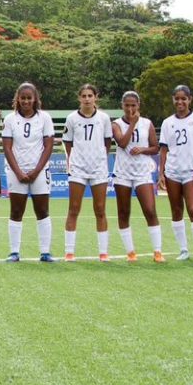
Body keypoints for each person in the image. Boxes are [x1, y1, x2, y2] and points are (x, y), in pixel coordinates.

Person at [1, 82, 57, 263]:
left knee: (42, 210)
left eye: (29, 98)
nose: (26, 101)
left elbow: (49, 146)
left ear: (35, 99)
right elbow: (7, 148)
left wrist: (36, 171)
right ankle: (14, 252)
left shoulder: (44, 118)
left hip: (39, 171)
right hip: (16, 171)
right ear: (18, 99)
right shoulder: (10, 119)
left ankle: (45, 252)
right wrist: (18, 172)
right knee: (16, 210)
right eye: (23, 98)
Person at [158, 85, 193, 262]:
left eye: (184, 98)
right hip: (173, 171)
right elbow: (164, 149)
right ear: (173, 99)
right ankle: (183, 250)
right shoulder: (168, 122)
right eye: (177, 98)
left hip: (191, 171)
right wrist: (161, 173)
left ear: (190, 99)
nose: (180, 101)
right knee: (176, 210)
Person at [61, 83, 113, 261]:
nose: (87, 99)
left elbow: (107, 142)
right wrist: (73, 159)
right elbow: (67, 142)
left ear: (95, 97)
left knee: (100, 209)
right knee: (74, 208)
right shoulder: (72, 118)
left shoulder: (104, 118)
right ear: (79, 98)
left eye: (90, 95)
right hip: (78, 168)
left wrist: (100, 158)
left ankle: (103, 252)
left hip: (98, 168)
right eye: (84, 96)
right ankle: (69, 252)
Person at [110, 90, 163, 262]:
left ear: (138, 105)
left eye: (133, 105)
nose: (130, 108)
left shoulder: (147, 123)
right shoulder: (116, 124)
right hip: (123, 173)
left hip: (142, 172)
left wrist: (143, 149)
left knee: (150, 210)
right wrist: (132, 124)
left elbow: (156, 147)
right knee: (124, 212)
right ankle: (131, 252)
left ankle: (157, 251)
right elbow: (122, 143)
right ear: (122, 106)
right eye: (127, 105)